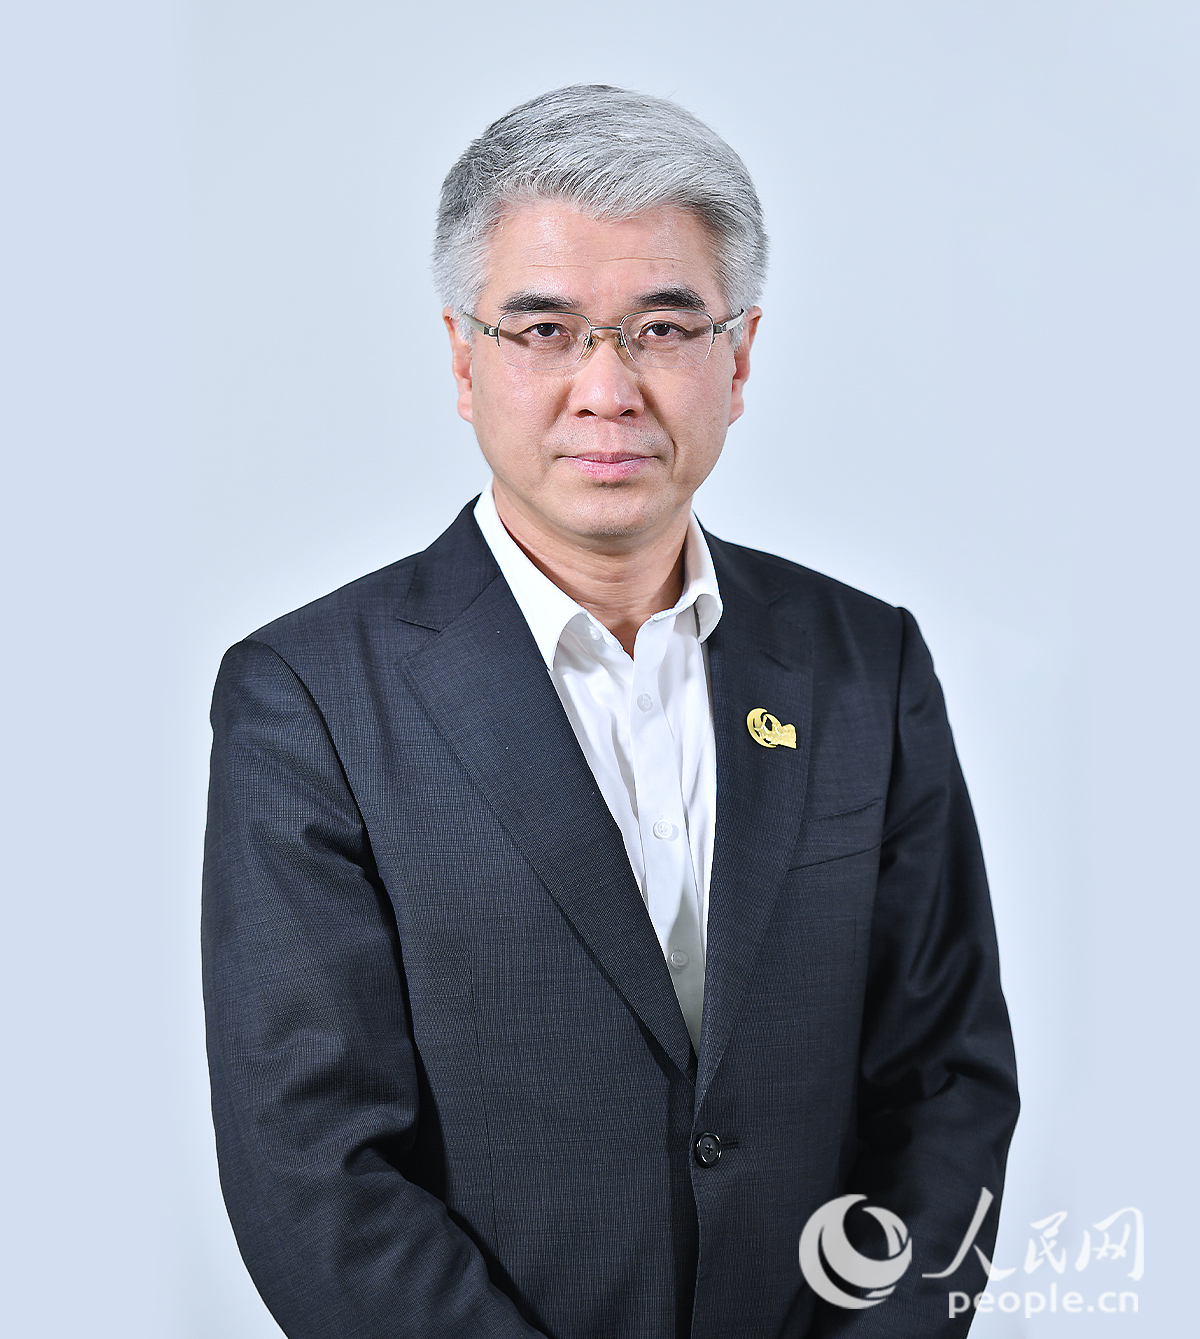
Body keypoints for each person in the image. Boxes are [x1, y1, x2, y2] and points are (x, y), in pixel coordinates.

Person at [202, 85, 1018, 1339]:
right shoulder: (310, 696)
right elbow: (312, 1169)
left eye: (662, 328)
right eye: (544, 329)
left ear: (738, 357)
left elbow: (947, 1080)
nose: (607, 387)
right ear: (463, 357)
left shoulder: (865, 661)